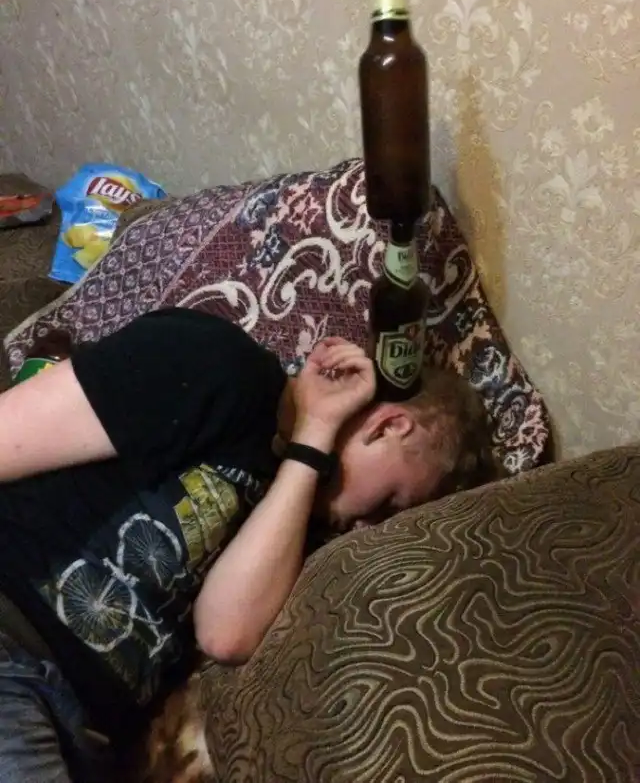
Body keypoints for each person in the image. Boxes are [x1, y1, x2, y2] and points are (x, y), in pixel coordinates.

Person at [0, 307, 501, 782]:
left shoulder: (296, 520)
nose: (366, 527)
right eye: (390, 502)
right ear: (389, 426)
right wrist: (315, 431)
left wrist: (313, 440)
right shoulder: (215, 364)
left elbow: (225, 636)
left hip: (76, 730)